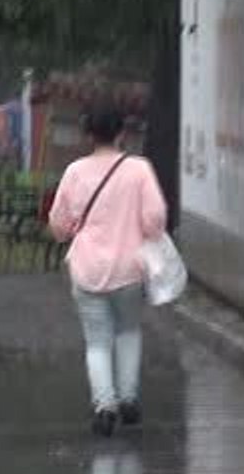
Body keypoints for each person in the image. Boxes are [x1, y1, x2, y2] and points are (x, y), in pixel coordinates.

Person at [48, 96, 167, 438]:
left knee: (97, 341)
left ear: (88, 135)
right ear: (122, 134)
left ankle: (104, 406)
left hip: (86, 270)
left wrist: (72, 229)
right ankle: (129, 397)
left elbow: (58, 225)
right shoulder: (139, 169)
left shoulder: (75, 172)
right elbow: (156, 218)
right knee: (128, 331)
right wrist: (144, 233)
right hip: (130, 269)